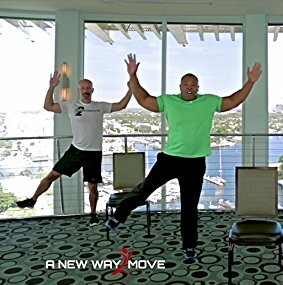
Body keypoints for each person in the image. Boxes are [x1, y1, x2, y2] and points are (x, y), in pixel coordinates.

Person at [105, 53, 262, 261]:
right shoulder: (169, 101)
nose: (189, 87)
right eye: (186, 84)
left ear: (198, 88)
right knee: (144, 190)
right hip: (169, 160)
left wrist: (250, 82)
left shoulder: (208, 101)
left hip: (195, 164)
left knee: (189, 208)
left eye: (193, 84)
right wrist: (133, 75)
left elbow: (233, 101)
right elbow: (143, 99)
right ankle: (119, 216)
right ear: (180, 86)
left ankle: (189, 247)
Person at [16, 72, 133, 226]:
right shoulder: (71, 106)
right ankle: (32, 200)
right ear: (79, 90)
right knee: (52, 175)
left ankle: (92, 215)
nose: (85, 90)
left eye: (88, 88)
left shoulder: (100, 106)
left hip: (94, 153)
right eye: (83, 88)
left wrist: (131, 89)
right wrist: (51, 87)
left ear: (92, 90)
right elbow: (48, 106)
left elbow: (121, 105)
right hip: (76, 151)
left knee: (93, 187)